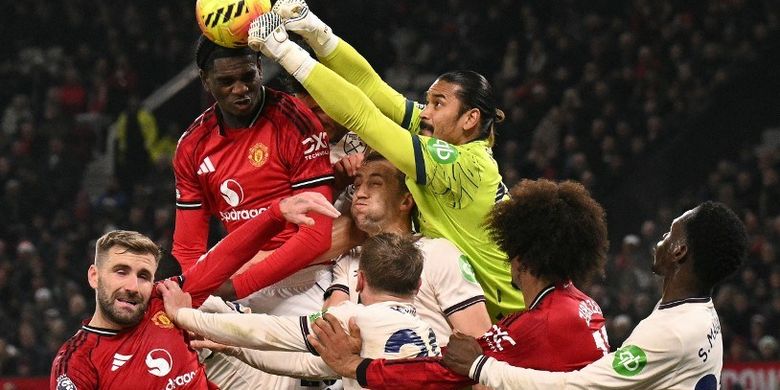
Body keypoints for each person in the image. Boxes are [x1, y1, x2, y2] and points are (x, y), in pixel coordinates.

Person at [249, 2, 522, 320]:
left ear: (470, 119)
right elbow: (371, 87)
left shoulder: (459, 163)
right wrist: (316, 31)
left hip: (517, 314)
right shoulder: (442, 133)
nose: (424, 112)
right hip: (483, 308)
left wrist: (284, 51)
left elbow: (364, 116)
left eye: (437, 104)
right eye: (427, 101)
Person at [306, 179, 611, 389]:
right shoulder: (583, 305)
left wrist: (356, 367)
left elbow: (443, 370)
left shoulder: (542, 322)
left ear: (520, 257)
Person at [441, 201, 747, 389]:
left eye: (670, 233)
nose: (661, 240)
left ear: (680, 251)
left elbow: (576, 387)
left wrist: (481, 366)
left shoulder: (672, 332)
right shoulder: (702, 314)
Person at [49, 192, 340, 390]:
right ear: (94, 276)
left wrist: (276, 214)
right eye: (121, 272)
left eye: (143, 276)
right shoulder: (77, 362)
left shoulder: (164, 300)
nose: (133, 287)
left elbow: (223, 259)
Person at [160, 233, 440, 390]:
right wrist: (235, 348)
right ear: (417, 286)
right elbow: (309, 366)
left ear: (360, 280)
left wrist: (185, 315)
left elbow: (267, 332)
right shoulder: (429, 334)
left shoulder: (353, 319)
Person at [172, 36, 334, 306]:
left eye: (247, 76)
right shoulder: (192, 145)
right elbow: (188, 249)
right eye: (226, 81)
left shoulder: (294, 120)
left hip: (301, 277)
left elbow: (316, 236)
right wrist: (195, 291)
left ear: (259, 67)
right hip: (233, 276)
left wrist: (238, 288)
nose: (240, 89)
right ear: (205, 80)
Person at [325, 152, 491, 344]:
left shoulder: (439, 253)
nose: (360, 193)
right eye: (357, 185)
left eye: (375, 184)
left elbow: (480, 339)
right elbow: (329, 327)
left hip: (431, 361)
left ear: (405, 201)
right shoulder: (350, 259)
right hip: (362, 363)